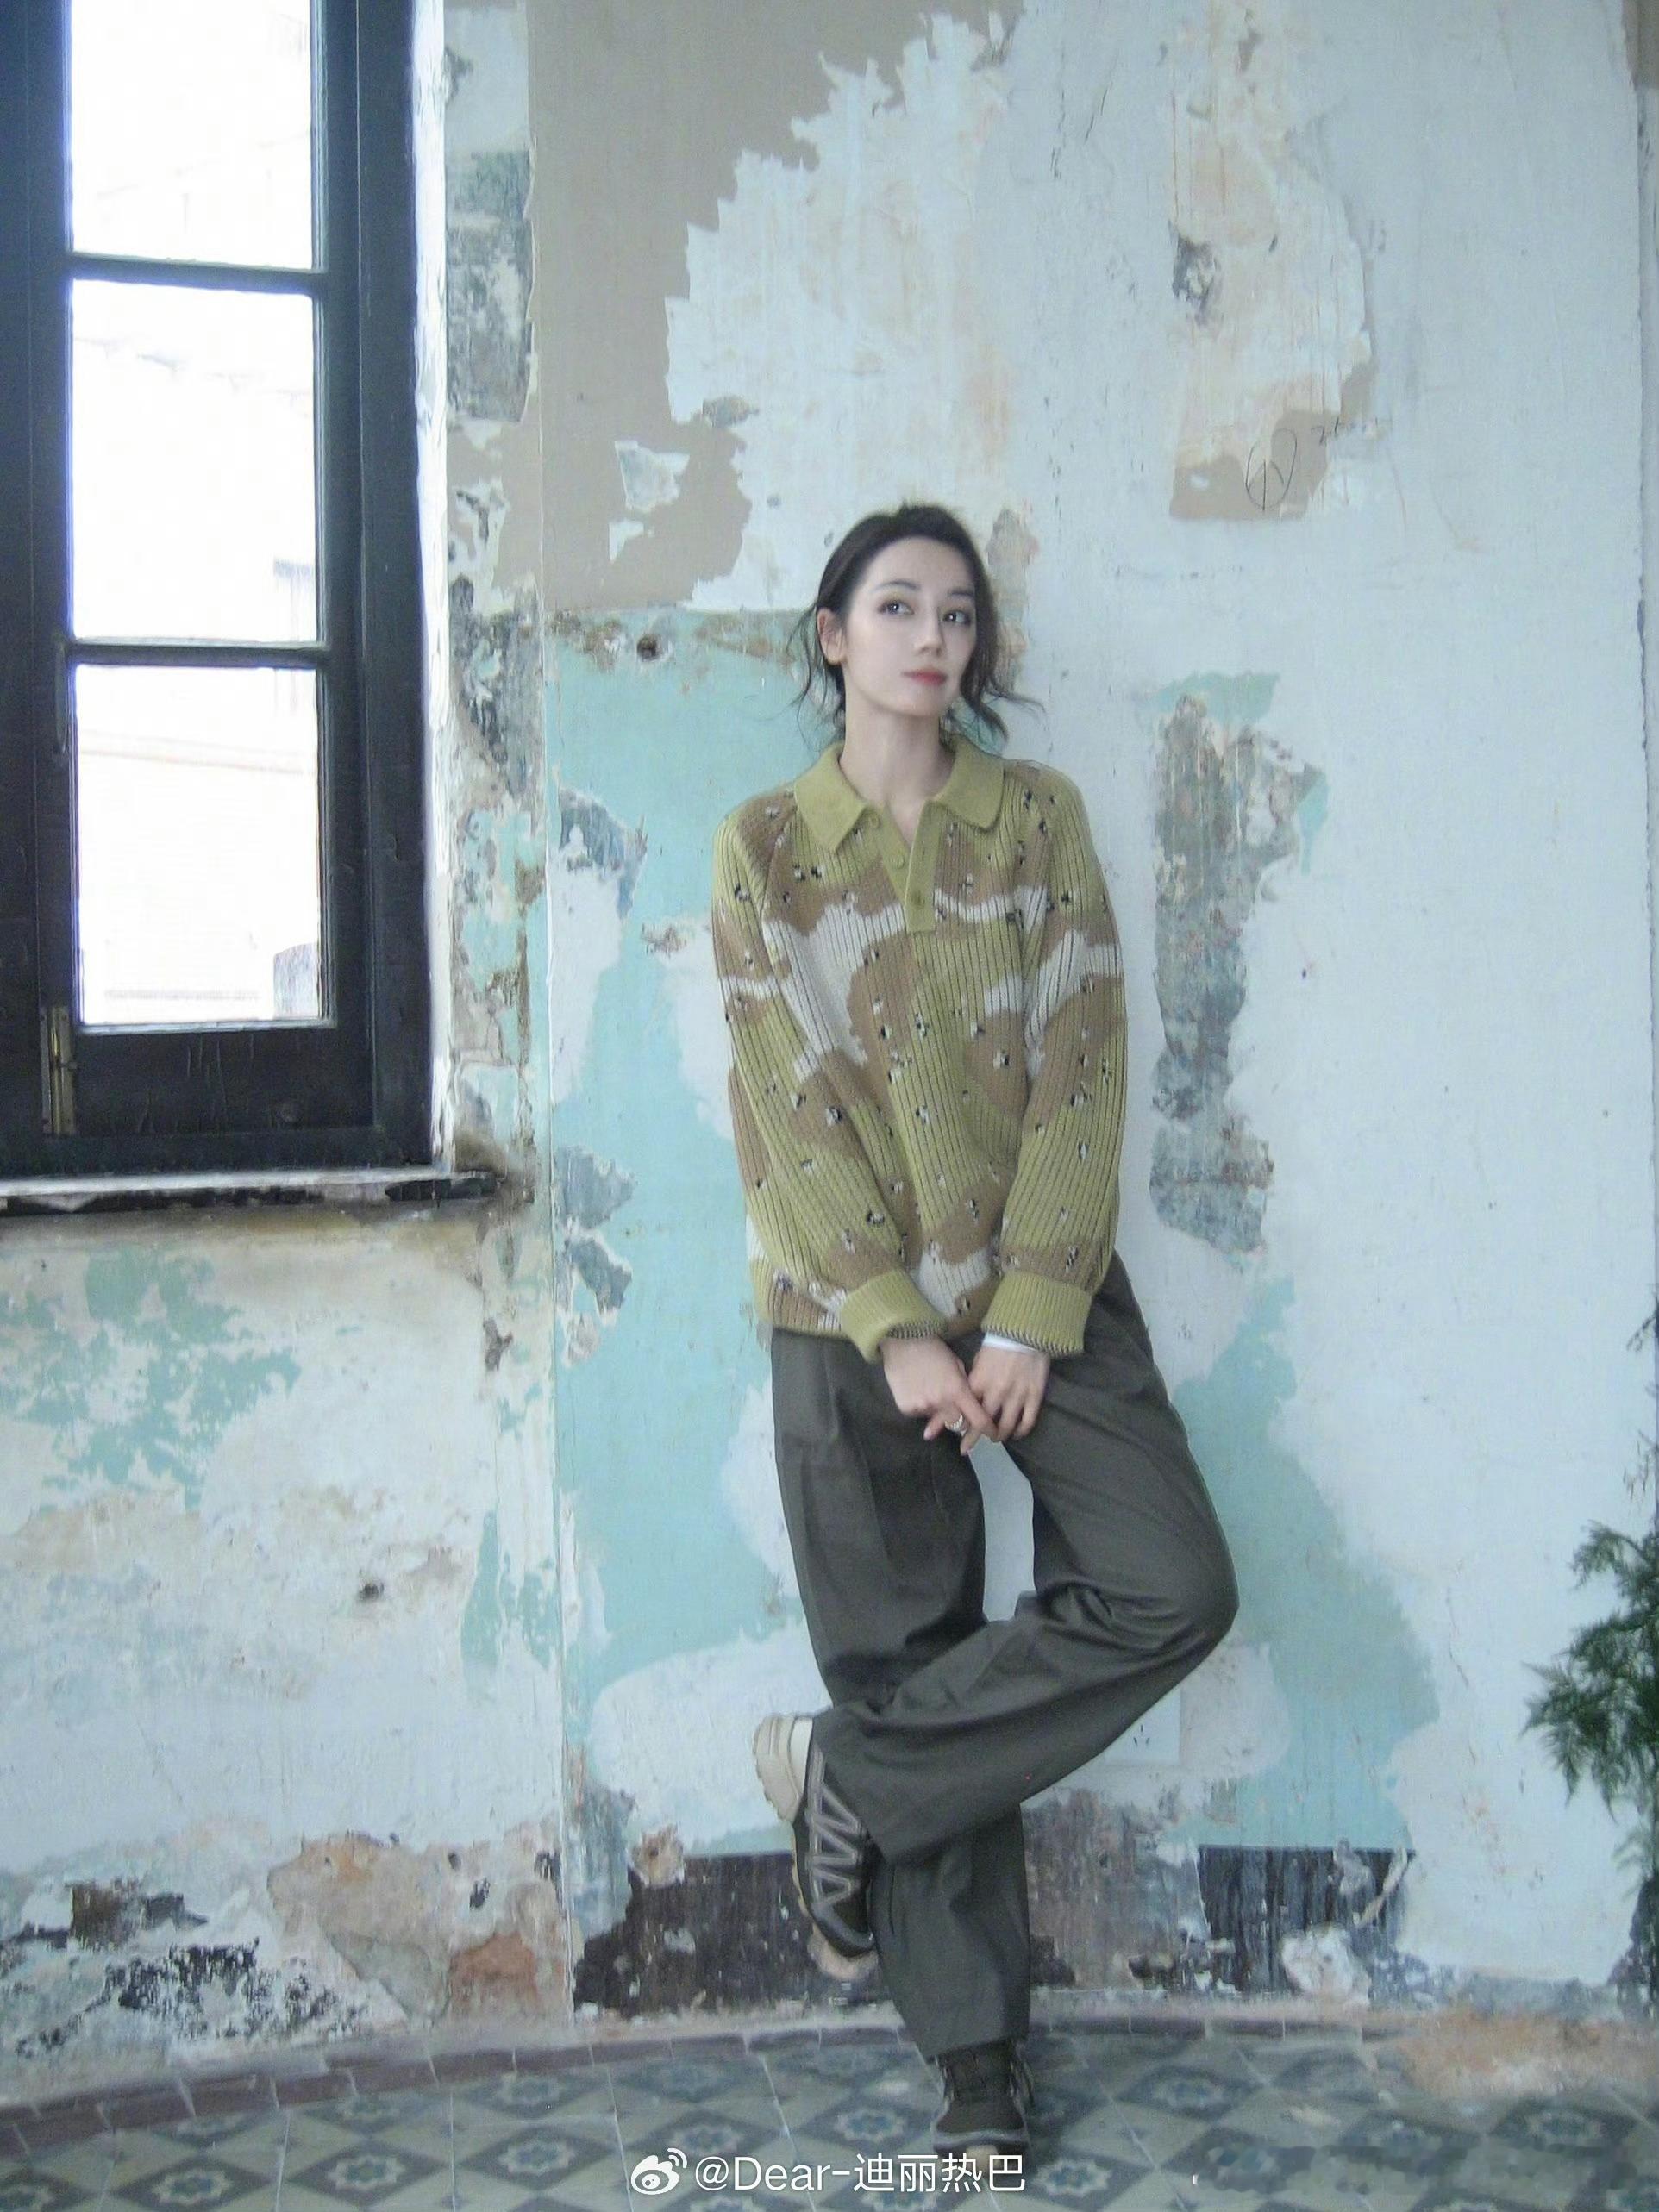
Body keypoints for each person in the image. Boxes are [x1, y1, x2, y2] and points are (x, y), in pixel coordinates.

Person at [710, 503, 1237, 2178]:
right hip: (840, 1313)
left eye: (956, 613)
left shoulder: (1036, 820)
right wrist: (893, 1330)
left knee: (1171, 1582)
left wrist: (1022, 1315)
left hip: (1043, 1288)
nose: (931, 637)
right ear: (832, 634)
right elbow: (784, 1114)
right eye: (896, 606)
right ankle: (975, 2063)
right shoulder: (764, 848)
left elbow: (1086, 1065)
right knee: (904, 1651)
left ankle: (850, 1777)